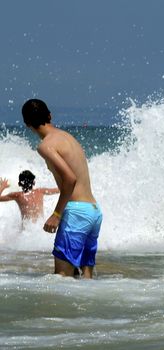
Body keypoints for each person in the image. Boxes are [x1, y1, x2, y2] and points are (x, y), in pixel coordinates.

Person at [22, 99, 103, 279]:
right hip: (93, 211)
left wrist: (57, 214)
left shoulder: (46, 146)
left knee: (62, 279)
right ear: (50, 115)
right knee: (86, 280)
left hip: (76, 214)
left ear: (27, 124)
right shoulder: (67, 137)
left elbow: (70, 179)